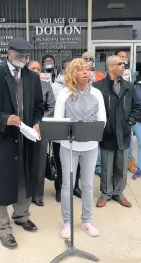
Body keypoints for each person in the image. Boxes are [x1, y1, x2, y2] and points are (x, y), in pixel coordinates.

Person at [0, 38, 43, 249]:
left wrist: (37, 122)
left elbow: (39, 105)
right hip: (2, 139)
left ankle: (21, 215)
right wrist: (5, 118)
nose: (23, 59)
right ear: (9, 53)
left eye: (26, 56)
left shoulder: (32, 77)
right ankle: (3, 228)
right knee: (3, 183)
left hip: (27, 137)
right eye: (19, 55)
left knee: (25, 179)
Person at [54, 58, 106, 239]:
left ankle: (86, 221)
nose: (86, 72)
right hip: (68, 147)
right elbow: (58, 121)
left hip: (91, 146)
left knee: (88, 185)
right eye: (81, 69)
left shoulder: (97, 94)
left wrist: (89, 131)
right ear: (72, 73)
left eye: (88, 69)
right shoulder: (64, 94)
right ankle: (67, 222)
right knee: (67, 185)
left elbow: (102, 120)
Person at [94, 55, 140, 209]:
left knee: (121, 165)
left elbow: (136, 107)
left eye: (124, 64)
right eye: (120, 64)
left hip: (124, 133)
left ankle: (118, 193)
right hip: (107, 134)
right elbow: (94, 110)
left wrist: (130, 121)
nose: (123, 66)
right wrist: (102, 126)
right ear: (110, 67)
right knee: (106, 166)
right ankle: (106, 193)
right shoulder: (98, 86)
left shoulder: (129, 86)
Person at [51, 58, 82, 202]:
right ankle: (59, 189)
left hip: (78, 132)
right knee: (61, 162)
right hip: (61, 132)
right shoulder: (55, 87)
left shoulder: (82, 85)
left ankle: (75, 186)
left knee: (78, 162)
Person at [28, 60, 55, 207]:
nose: (36, 71)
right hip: (23, 128)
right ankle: (24, 194)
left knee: (39, 164)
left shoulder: (46, 86)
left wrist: (39, 120)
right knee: (24, 162)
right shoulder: (21, 85)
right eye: (33, 68)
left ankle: (38, 195)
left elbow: (51, 105)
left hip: (41, 128)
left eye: (38, 69)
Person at [116, 51, 138, 174]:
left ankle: (129, 161)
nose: (124, 59)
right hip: (115, 109)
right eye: (121, 57)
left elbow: (133, 89)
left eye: (125, 57)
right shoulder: (109, 74)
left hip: (127, 110)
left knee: (127, 138)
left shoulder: (131, 73)